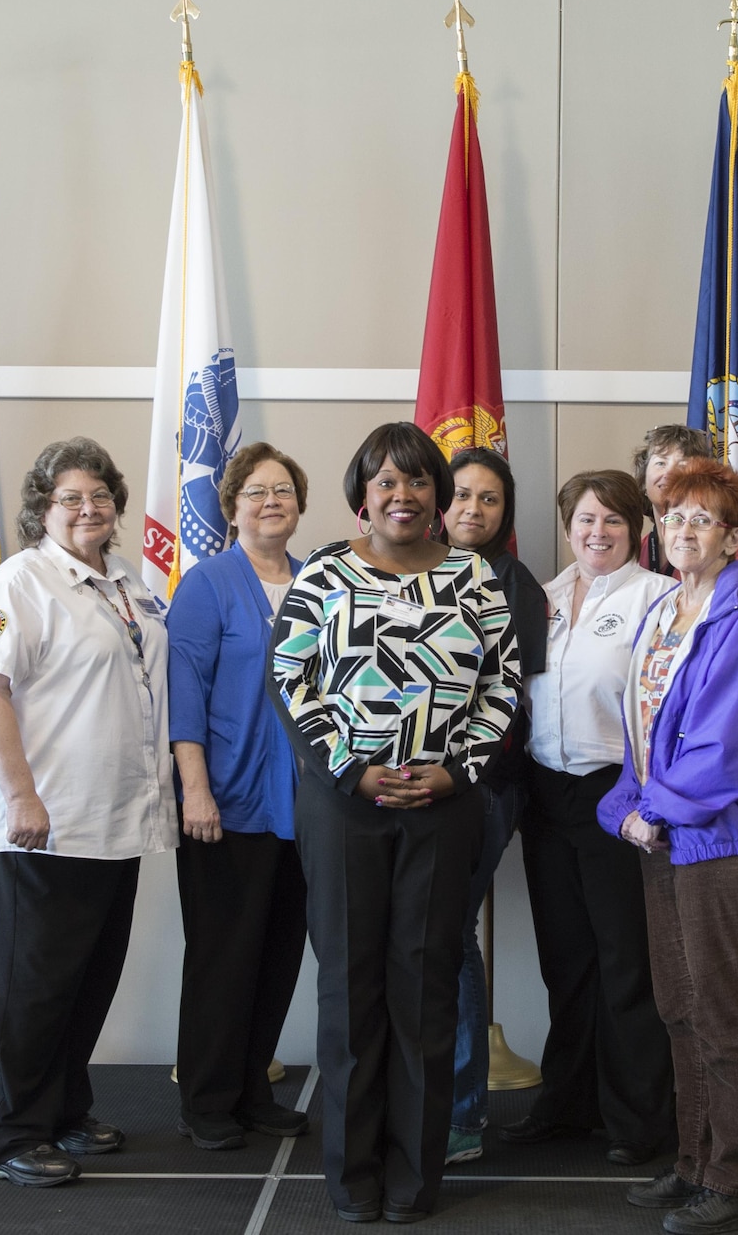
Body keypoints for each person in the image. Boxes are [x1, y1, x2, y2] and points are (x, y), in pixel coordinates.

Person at [272, 422, 521, 1224]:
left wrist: (458, 771)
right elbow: (290, 679)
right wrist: (350, 767)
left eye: (416, 481)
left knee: (423, 993)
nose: (401, 495)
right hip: (344, 806)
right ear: (362, 496)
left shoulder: (476, 581)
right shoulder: (324, 574)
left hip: (443, 809)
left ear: (438, 498)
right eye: (385, 482)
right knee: (350, 991)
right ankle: (352, 1179)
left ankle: (415, 1179)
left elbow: (501, 690)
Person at [0, 438, 176, 1188]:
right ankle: (7, 1134)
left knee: (86, 981)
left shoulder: (128, 583)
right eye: (70, 498)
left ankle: (62, 1111)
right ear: (41, 510)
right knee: (33, 987)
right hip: (39, 826)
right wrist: (20, 793)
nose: (89, 508)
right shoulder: (16, 587)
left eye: (100, 495)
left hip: (112, 822)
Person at [598, 460, 738, 1235]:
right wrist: (628, 807)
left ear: (733, 537)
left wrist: (652, 811)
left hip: (721, 838)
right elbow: (640, 734)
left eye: (702, 520)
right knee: (679, 1009)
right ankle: (694, 1163)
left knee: (723, 1012)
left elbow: (721, 744)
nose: (683, 530)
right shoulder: (665, 611)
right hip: (664, 835)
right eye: (673, 516)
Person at [500, 470, 675, 1166]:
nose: (596, 532)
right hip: (549, 795)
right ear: (566, 526)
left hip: (619, 793)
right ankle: (567, 1103)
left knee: (626, 962)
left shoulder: (657, 598)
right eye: (584, 520)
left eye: (612, 520)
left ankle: (638, 1117)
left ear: (636, 529)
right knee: (565, 960)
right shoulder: (541, 599)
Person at [167, 442, 313, 1152]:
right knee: (224, 956)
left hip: (305, 810)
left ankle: (254, 1088)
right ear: (231, 508)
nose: (271, 501)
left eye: (283, 490)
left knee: (279, 953)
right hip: (226, 803)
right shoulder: (207, 584)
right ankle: (207, 1098)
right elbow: (182, 694)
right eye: (256, 492)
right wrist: (194, 790)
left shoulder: (323, 580)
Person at [439, 447, 549, 1166]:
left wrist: (453, 771)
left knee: (448, 933)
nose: (473, 509)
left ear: (505, 512)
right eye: (462, 496)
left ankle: (461, 1115)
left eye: (489, 499)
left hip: (483, 787)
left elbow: (511, 704)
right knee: (428, 933)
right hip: (409, 787)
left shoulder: (517, 586)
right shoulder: (410, 571)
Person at [633, 424, 738, 588]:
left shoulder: (729, 546)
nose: (669, 474)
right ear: (643, 480)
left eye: (683, 465)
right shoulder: (634, 551)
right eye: (660, 463)